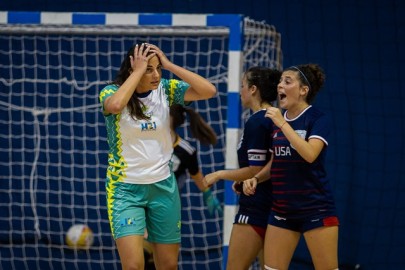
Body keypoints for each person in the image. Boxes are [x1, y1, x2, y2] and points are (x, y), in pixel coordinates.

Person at [99, 42, 216, 270]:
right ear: (133, 69)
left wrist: (170, 65)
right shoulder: (112, 91)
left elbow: (209, 91)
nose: (156, 75)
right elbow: (114, 106)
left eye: (157, 69)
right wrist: (138, 71)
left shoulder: (166, 89)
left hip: (163, 187)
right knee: (133, 265)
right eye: (149, 69)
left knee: (168, 265)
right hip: (125, 189)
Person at [243, 64, 339, 270]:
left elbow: (310, 154)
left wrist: (283, 124)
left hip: (316, 209)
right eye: (280, 81)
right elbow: (276, 160)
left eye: (287, 81)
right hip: (282, 210)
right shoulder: (275, 122)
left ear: (304, 90)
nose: (280, 86)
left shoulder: (317, 119)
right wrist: (256, 178)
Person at [204, 66, 281, 270]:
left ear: (253, 89)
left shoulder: (257, 121)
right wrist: (242, 181)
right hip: (274, 205)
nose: (240, 91)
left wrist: (219, 174)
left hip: (255, 206)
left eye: (243, 86)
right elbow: (268, 165)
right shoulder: (274, 118)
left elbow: (255, 170)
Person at [170, 104, 222, 216]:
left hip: (168, 204)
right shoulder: (148, 144)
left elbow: (197, 176)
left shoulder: (186, 151)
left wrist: (208, 194)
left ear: (170, 118)